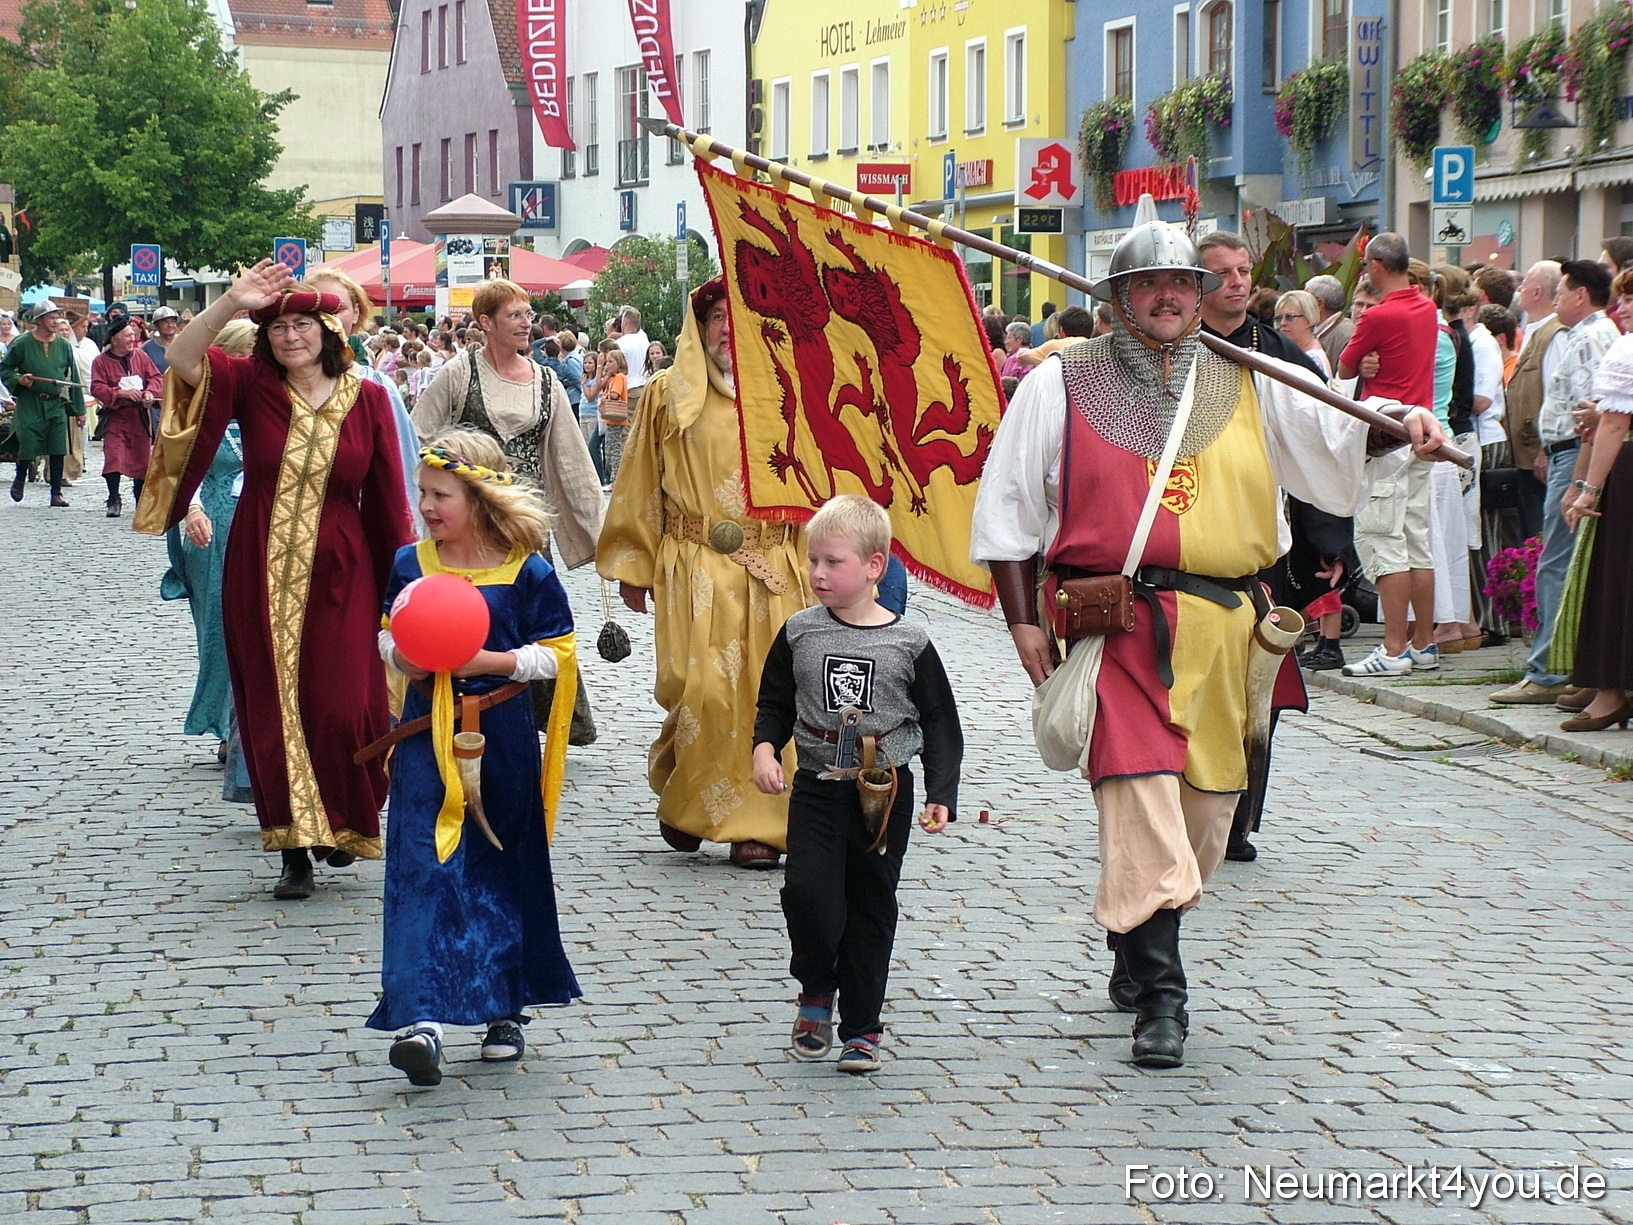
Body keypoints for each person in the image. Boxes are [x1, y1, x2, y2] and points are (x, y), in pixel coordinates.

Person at [970, 218, 1448, 1068]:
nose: (1167, 295)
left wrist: (1400, 423)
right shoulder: (1060, 383)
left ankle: (1137, 933)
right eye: (1149, 283)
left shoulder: (1250, 377)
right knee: (1138, 792)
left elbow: (1334, 439)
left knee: (1206, 815)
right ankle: (1163, 996)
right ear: (1117, 297)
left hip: (1228, 632)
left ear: (1200, 295)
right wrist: (1019, 619)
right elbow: (1007, 506)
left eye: (1181, 283)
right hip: (1118, 625)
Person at [136, 262, 414, 899]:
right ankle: (294, 846)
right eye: (279, 326)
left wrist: (403, 584)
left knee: (346, 704)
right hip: (258, 569)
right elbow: (181, 358)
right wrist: (231, 301)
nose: (291, 336)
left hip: (344, 571)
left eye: (303, 324)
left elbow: (389, 502)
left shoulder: (367, 398)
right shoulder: (247, 384)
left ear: (329, 330)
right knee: (273, 702)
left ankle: (343, 819)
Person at [367, 428, 581, 1087]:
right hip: (424, 731)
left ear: (481, 497)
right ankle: (421, 1017)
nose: (426, 505)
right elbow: (386, 638)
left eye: (440, 495)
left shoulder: (526, 569)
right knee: (421, 866)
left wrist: (487, 660)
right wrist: (404, 655)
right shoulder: (411, 562)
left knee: (499, 862)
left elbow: (557, 653)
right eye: (422, 493)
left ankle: (503, 1009)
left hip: (500, 736)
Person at [597, 277, 813, 868]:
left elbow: (819, 483)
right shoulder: (667, 395)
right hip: (694, 566)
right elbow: (639, 479)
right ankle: (688, 795)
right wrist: (633, 565)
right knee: (702, 691)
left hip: (776, 566)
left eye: (738, 317)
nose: (727, 329)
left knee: (774, 692)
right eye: (716, 316)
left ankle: (761, 827)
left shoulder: (786, 391)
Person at [752, 495, 961, 1073]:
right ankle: (816, 989)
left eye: (833, 562)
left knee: (872, 903)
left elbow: (941, 721)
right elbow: (773, 700)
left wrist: (943, 792)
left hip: (884, 790)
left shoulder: (910, 643)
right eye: (813, 560)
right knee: (809, 893)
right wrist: (765, 750)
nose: (817, 572)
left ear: (874, 566)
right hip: (818, 785)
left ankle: (862, 1027)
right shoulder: (798, 633)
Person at [1492, 260, 1618, 705]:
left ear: (1581, 295)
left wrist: (1579, 480)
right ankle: (1575, 669)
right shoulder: (1590, 335)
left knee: (1557, 562)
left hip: (1575, 456)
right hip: (1567, 453)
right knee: (1566, 562)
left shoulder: (1588, 338)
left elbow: (1592, 418)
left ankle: (1547, 671)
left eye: (1563, 292)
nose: (1558, 300)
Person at [411, 279, 603, 571]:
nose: (526, 324)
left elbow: (573, 461)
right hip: (469, 522)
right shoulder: (459, 374)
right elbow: (416, 439)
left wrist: (603, 535)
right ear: (486, 322)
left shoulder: (547, 382)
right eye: (515, 316)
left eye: (529, 315)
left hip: (526, 521)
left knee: (529, 602)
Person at [1337, 234, 1441, 677]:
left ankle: (1394, 649)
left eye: (1365, 264)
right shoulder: (1427, 307)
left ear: (1377, 265)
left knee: (1383, 540)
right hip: (1423, 431)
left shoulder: (1380, 315)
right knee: (1417, 541)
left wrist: (1363, 365)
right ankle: (1424, 643)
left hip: (1387, 434)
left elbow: (1342, 367)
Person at [160, 317, 254, 766]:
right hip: (212, 519)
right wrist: (191, 509)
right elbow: (179, 464)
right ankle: (224, 724)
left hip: (260, 517)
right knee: (218, 625)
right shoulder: (200, 402)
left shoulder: (271, 398)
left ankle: (253, 724)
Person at [1558, 313, 1633, 731]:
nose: (1621, 308)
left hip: (1628, 479)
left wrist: (1588, 488)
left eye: (1629, 297)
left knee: (1616, 579)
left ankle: (1610, 692)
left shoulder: (1628, 348)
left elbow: (1616, 424)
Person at [305, 269, 423, 526]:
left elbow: (403, 468)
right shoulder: (279, 382)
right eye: (316, 310)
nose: (328, 319)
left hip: (360, 527)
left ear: (356, 313)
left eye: (338, 308)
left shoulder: (377, 386)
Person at [1504, 261, 1566, 542]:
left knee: (1540, 535)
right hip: (1527, 457)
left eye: (1525, 284)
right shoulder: (1534, 330)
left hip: (1540, 458)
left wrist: (1546, 449)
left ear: (1538, 291)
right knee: (1530, 532)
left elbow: (1558, 396)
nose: (1520, 289)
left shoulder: (1555, 334)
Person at [2, 299, 85, 507]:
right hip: (30, 402)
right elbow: (5, 370)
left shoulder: (64, 345)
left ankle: (56, 492)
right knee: (28, 443)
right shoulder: (22, 343)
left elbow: (72, 378)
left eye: (57, 317)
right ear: (39, 320)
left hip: (55, 403)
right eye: (51, 317)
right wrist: (19, 380)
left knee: (58, 446)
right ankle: (20, 477)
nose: (56, 321)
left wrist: (79, 410)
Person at [90, 310, 163, 517]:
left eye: (133, 335)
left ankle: (140, 498)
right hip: (116, 417)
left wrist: (150, 392)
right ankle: (113, 497)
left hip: (139, 418)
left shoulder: (141, 356)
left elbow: (156, 378)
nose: (133, 338)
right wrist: (119, 392)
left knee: (142, 461)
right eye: (128, 335)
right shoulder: (101, 361)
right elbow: (97, 387)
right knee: (113, 456)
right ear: (115, 339)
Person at [1273, 290, 1331, 377]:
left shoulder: (1312, 360)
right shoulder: (1299, 354)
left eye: (1289, 317)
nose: (1282, 323)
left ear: (1308, 319)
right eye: (1278, 318)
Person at [1305, 274, 1355, 373]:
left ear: (1319, 303)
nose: (1302, 304)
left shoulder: (1346, 334)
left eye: (1306, 299)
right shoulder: (1314, 328)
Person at [597, 348, 632, 482]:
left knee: (614, 449)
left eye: (611, 361)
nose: (608, 365)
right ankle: (613, 477)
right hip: (611, 420)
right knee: (609, 448)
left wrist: (606, 395)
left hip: (616, 418)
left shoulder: (618, 377)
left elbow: (614, 394)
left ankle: (616, 479)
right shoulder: (614, 378)